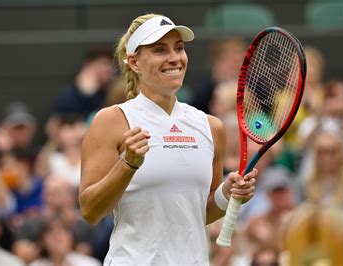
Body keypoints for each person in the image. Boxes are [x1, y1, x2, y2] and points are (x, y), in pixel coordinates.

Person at [79, 13, 258, 265]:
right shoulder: (111, 120)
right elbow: (90, 211)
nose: (174, 58)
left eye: (179, 48)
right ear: (134, 62)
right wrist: (127, 164)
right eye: (160, 50)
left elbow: (199, 212)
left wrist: (227, 194)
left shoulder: (210, 126)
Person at [54, 46, 115, 118]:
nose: (110, 69)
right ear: (88, 65)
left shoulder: (114, 92)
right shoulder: (69, 98)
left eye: (112, 65)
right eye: (104, 64)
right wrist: (87, 94)